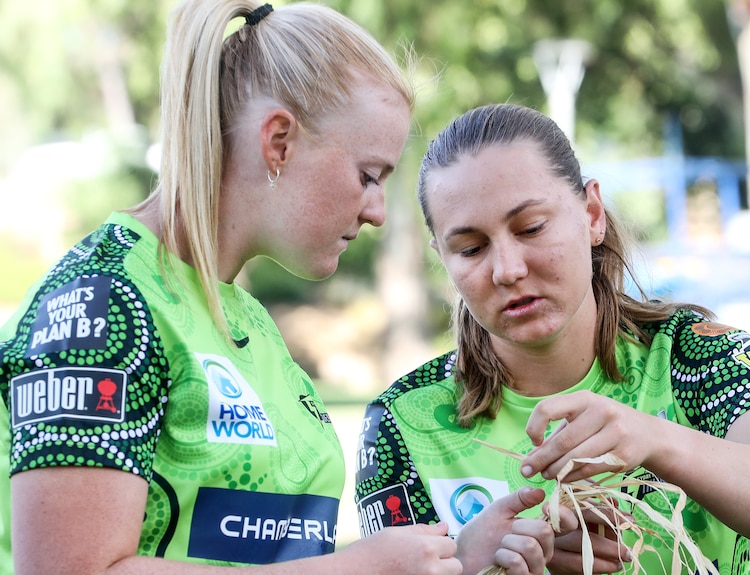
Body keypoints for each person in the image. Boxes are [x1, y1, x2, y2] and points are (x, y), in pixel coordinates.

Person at [0, 3, 553, 574]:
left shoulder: (246, 319)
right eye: (368, 176)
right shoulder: (102, 303)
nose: (377, 212)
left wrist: (455, 559)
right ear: (280, 141)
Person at [354, 103, 750, 574]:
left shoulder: (698, 356)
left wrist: (655, 439)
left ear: (591, 214)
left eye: (530, 228)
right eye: (470, 248)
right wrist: (474, 564)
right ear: (441, 255)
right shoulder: (403, 421)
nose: (507, 269)